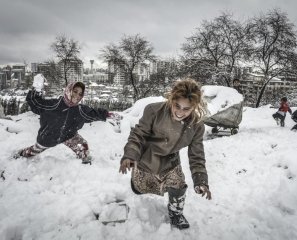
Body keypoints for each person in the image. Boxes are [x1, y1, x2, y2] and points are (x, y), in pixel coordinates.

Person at [119, 78, 212, 229]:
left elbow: (197, 155)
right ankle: (136, 184)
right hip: (147, 158)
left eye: (186, 109)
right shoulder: (153, 110)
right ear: (171, 99)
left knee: (178, 185)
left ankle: (176, 213)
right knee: (139, 188)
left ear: (194, 107)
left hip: (171, 161)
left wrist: (201, 180)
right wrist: (130, 155)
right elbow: (138, 135)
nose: (180, 112)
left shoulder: (196, 126)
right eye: (177, 106)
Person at [15, 74, 120, 164]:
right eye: (75, 91)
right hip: (47, 138)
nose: (78, 96)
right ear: (69, 90)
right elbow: (35, 103)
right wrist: (37, 88)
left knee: (83, 146)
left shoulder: (79, 110)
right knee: (32, 151)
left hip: (68, 135)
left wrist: (108, 114)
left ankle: (86, 167)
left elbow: (93, 113)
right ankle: (19, 154)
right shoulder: (54, 105)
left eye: (80, 94)